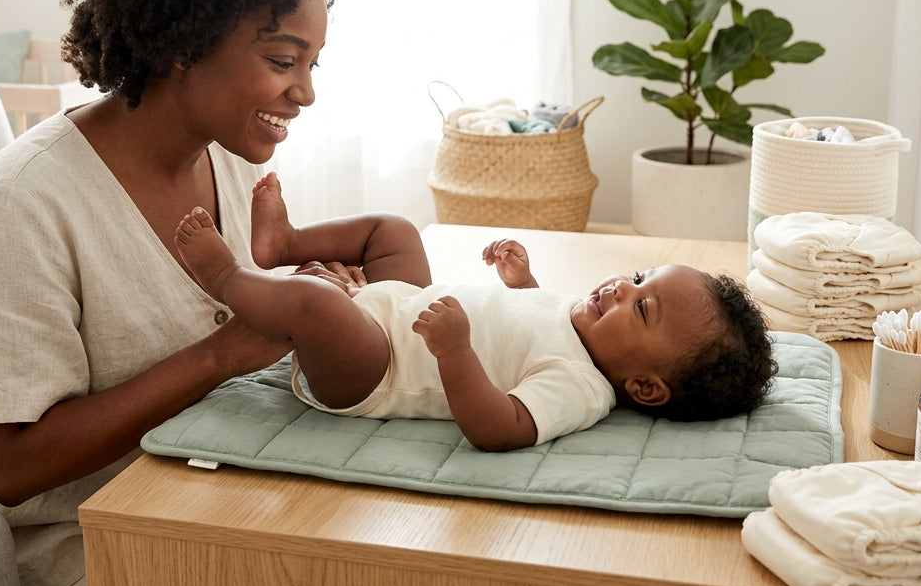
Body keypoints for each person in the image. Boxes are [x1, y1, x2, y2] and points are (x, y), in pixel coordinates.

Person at [0, 0, 342, 586]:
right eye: (283, 62)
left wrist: (303, 302)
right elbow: (8, 466)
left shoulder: (229, 160)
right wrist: (225, 352)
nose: (305, 92)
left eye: (312, 65)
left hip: (200, 505)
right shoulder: (25, 201)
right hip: (76, 551)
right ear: (184, 42)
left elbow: (251, 322)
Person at [174, 172, 778, 453]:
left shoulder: (582, 389)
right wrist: (523, 281)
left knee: (315, 303)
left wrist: (456, 352)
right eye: (638, 278)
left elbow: (501, 427)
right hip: (402, 309)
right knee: (396, 231)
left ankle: (226, 276)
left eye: (641, 307)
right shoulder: (576, 321)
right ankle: (285, 244)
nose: (621, 287)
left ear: (645, 387)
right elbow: (528, 324)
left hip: (377, 368)